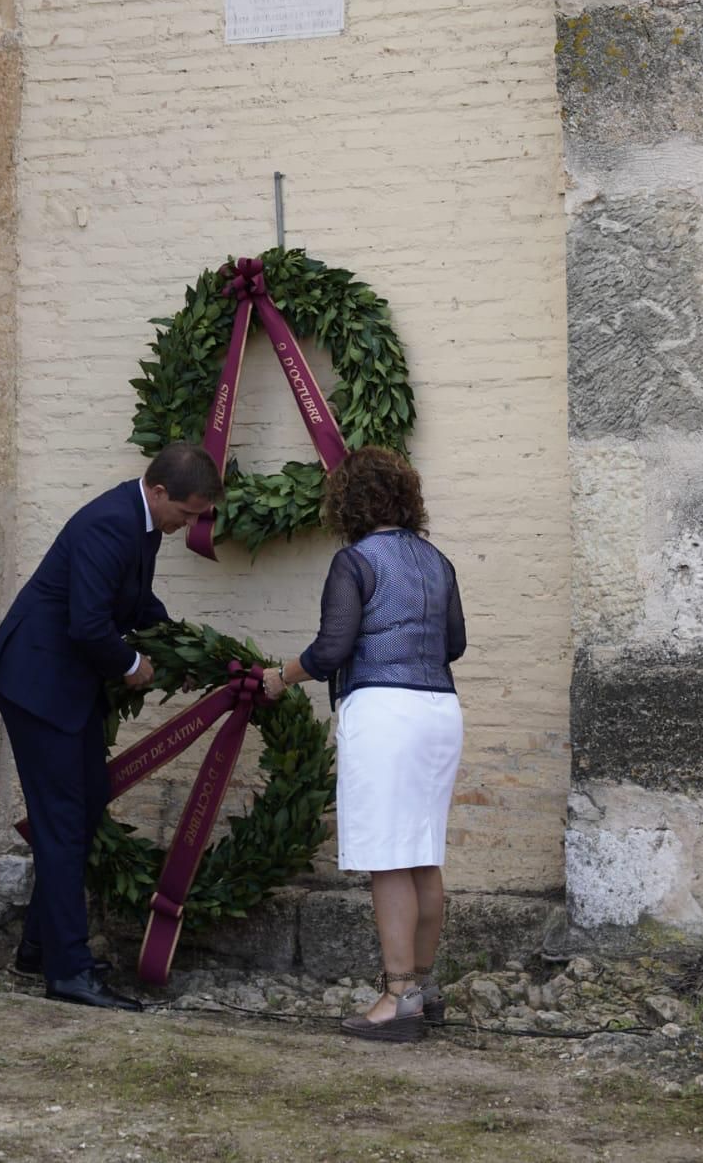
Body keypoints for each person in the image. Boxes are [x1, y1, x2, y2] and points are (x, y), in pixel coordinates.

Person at [0, 442, 223, 1012]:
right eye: (185, 514)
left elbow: (134, 602)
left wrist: (180, 649)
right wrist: (136, 666)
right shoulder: (110, 524)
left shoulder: (141, 524)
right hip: (37, 683)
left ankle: (40, 946)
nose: (186, 526)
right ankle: (69, 972)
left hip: (67, 685)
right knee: (62, 823)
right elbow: (89, 624)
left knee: (83, 809)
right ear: (159, 491)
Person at [262, 446, 466, 1043]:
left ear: (345, 503)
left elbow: (331, 650)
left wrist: (281, 676)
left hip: (384, 710)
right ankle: (423, 989)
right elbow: (453, 643)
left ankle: (398, 995)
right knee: (423, 853)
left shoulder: (355, 562)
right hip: (440, 711)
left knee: (386, 858)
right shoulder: (437, 561)